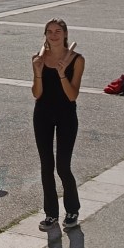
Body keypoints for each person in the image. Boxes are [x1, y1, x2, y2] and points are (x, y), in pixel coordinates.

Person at [31, 19, 84, 231]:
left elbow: (72, 95)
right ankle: (51, 213)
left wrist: (62, 74)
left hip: (66, 115)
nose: (54, 35)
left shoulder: (77, 60)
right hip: (42, 114)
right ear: (45, 35)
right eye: (50, 32)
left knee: (63, 165)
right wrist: (37, 71)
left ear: (65, 34)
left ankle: (72, 209)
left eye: (58, 31)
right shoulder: (38, 59)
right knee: (46, 166)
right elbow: (37, 93)